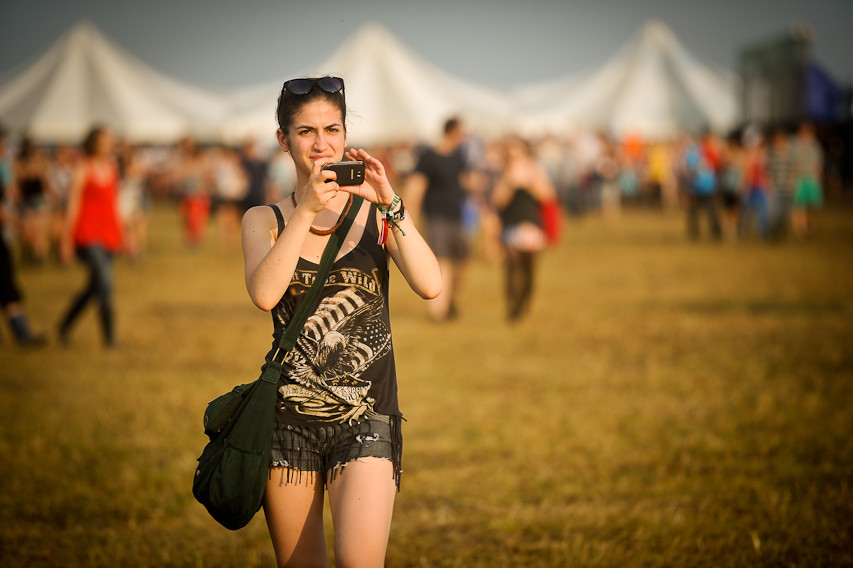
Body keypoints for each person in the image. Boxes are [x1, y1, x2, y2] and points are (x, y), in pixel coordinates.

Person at [240, 76, 441, 567]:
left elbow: (430, 282)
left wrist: (390, 201)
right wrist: (306, 210)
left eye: (332, 129)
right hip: (287, 424)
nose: (322, 143)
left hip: (367, 418)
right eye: (306, 131)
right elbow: (265, 293)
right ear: (283, 140)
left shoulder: (375, 214)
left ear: (347, 135)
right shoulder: (263, 219)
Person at [57, 126, 123, 347]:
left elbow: (114, 203)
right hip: (87, 232)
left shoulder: (112, 167)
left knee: (94, 287)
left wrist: (126, 232)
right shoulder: (83, 167)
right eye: (106, 140)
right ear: (94, 142)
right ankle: (110, 337)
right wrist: (66, 238)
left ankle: (65, 325)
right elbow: (73, 203)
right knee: (104, 281)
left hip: (108, 232)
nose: (110, 144)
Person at [405, 117, 472, 322]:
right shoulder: (430, 157)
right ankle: (438, 312)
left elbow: (466, 182)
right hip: (436, 216)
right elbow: (416, 185)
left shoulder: (459, 157)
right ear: (452, 132)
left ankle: (448, 299)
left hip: (457, 216)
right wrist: (408, 217)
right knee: (442, 261)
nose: (464, 137)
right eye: (461, 132)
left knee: (462, 263)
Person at [491, 136, 557, 322]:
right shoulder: (503, 174)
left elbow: (548, 196)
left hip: (531, 226)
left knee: (529, 267)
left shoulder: (535, 170)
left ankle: (524, 300)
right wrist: (510, 182)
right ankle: (512, 304)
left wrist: (530, 181)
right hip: (511, 225)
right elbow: (498, 200)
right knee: (511, 264)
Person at [0, 125, 46, 346]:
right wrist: (20, 226)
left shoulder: (3, 166)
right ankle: (22, 335)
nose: (4, 147)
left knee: (7, 284)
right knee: (7, 283)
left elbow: (11, 192)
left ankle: (21, 334)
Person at [791, 122, 824, 237]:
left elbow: (819, 162)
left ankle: (809, 223)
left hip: (812, 178)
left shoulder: (815, 145)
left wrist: (819, 177)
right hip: (800, 178)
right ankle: (801, 229)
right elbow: (792, 163)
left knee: (814, 205)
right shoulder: (794, 145)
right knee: (800, 205)